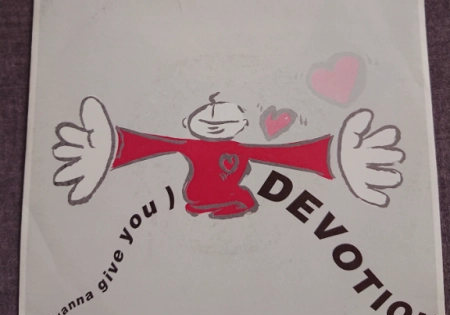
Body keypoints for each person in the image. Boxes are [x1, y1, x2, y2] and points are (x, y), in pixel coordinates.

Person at [53, 94, 405, 216]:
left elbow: (282, 156)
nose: (216, 118)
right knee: (238, 198)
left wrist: (334, 156)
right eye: (208, 112)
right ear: (187, 122)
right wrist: (111, 148)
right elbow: (156, 144)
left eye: (228, 115)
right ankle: (208, 204)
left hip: (222, 195)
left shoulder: (238, 148)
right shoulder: (190, 145)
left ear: (243, 123)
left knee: (242, 198)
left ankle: (213, 205)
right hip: (200, 194)